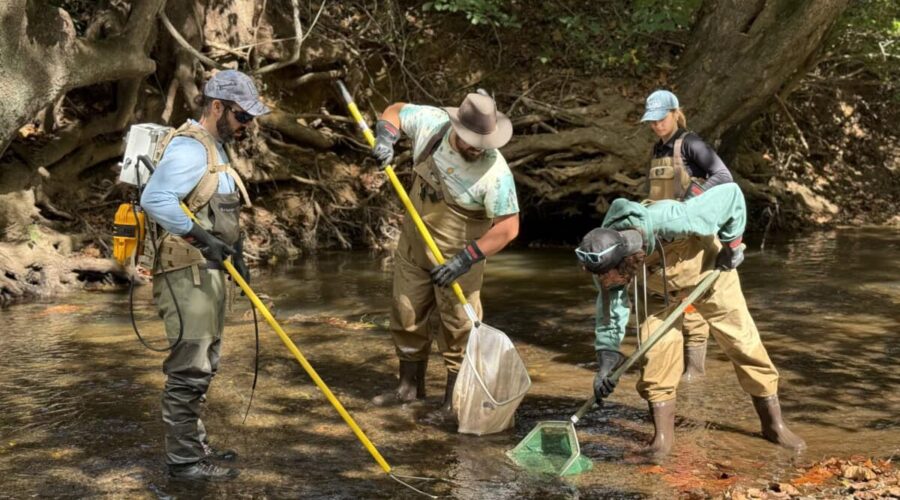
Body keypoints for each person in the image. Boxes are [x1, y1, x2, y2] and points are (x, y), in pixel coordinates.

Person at [577, 183, 805, 459]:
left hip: (711, 276)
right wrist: (606, 361)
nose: (608, 282)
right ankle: (662, 440)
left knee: (744, 346)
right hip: (657, 295)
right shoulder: (603, 259)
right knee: (655, 361)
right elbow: (611, 310)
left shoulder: (672, 218)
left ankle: (773, 425)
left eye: (613, 275)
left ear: (629, 258)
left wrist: (731, 246)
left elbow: (731, 194)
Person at [140, 70, 268, 480]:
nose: (248, 125)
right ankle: (184, 464)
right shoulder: (191, 148)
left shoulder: (217, 147)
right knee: (189, 369)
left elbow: (218, 209)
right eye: (242, 116)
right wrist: (202, 238)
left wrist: (237, 252)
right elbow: (155, 199)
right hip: (186, 273)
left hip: (210, 272)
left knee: (206, 364)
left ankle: (195, 448)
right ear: (217, 107)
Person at [369, 91, 520, 419]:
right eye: (470, 141)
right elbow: (394, 109)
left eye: (483, 142)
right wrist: (386, 139)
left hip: (459, 257)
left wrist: (466, 259)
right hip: (413, 248)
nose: (477, 149)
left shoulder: (495, 172)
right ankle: (408, 389)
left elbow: (508, 228)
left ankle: (454, 403)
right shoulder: (432, 124)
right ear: (457, 127)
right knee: (406, 314)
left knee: (458, 327)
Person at [641, 89, 735, 382]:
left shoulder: (691, 143)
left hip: (694, 237)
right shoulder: (658, 149)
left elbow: (723, 177)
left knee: (692, 302)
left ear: (674, 113)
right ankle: (673, 368)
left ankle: (695, 372)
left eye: (661, 119)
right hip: (667, 237)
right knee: (670, 299)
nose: (656, 125)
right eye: (652, 121)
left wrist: (692, 197)